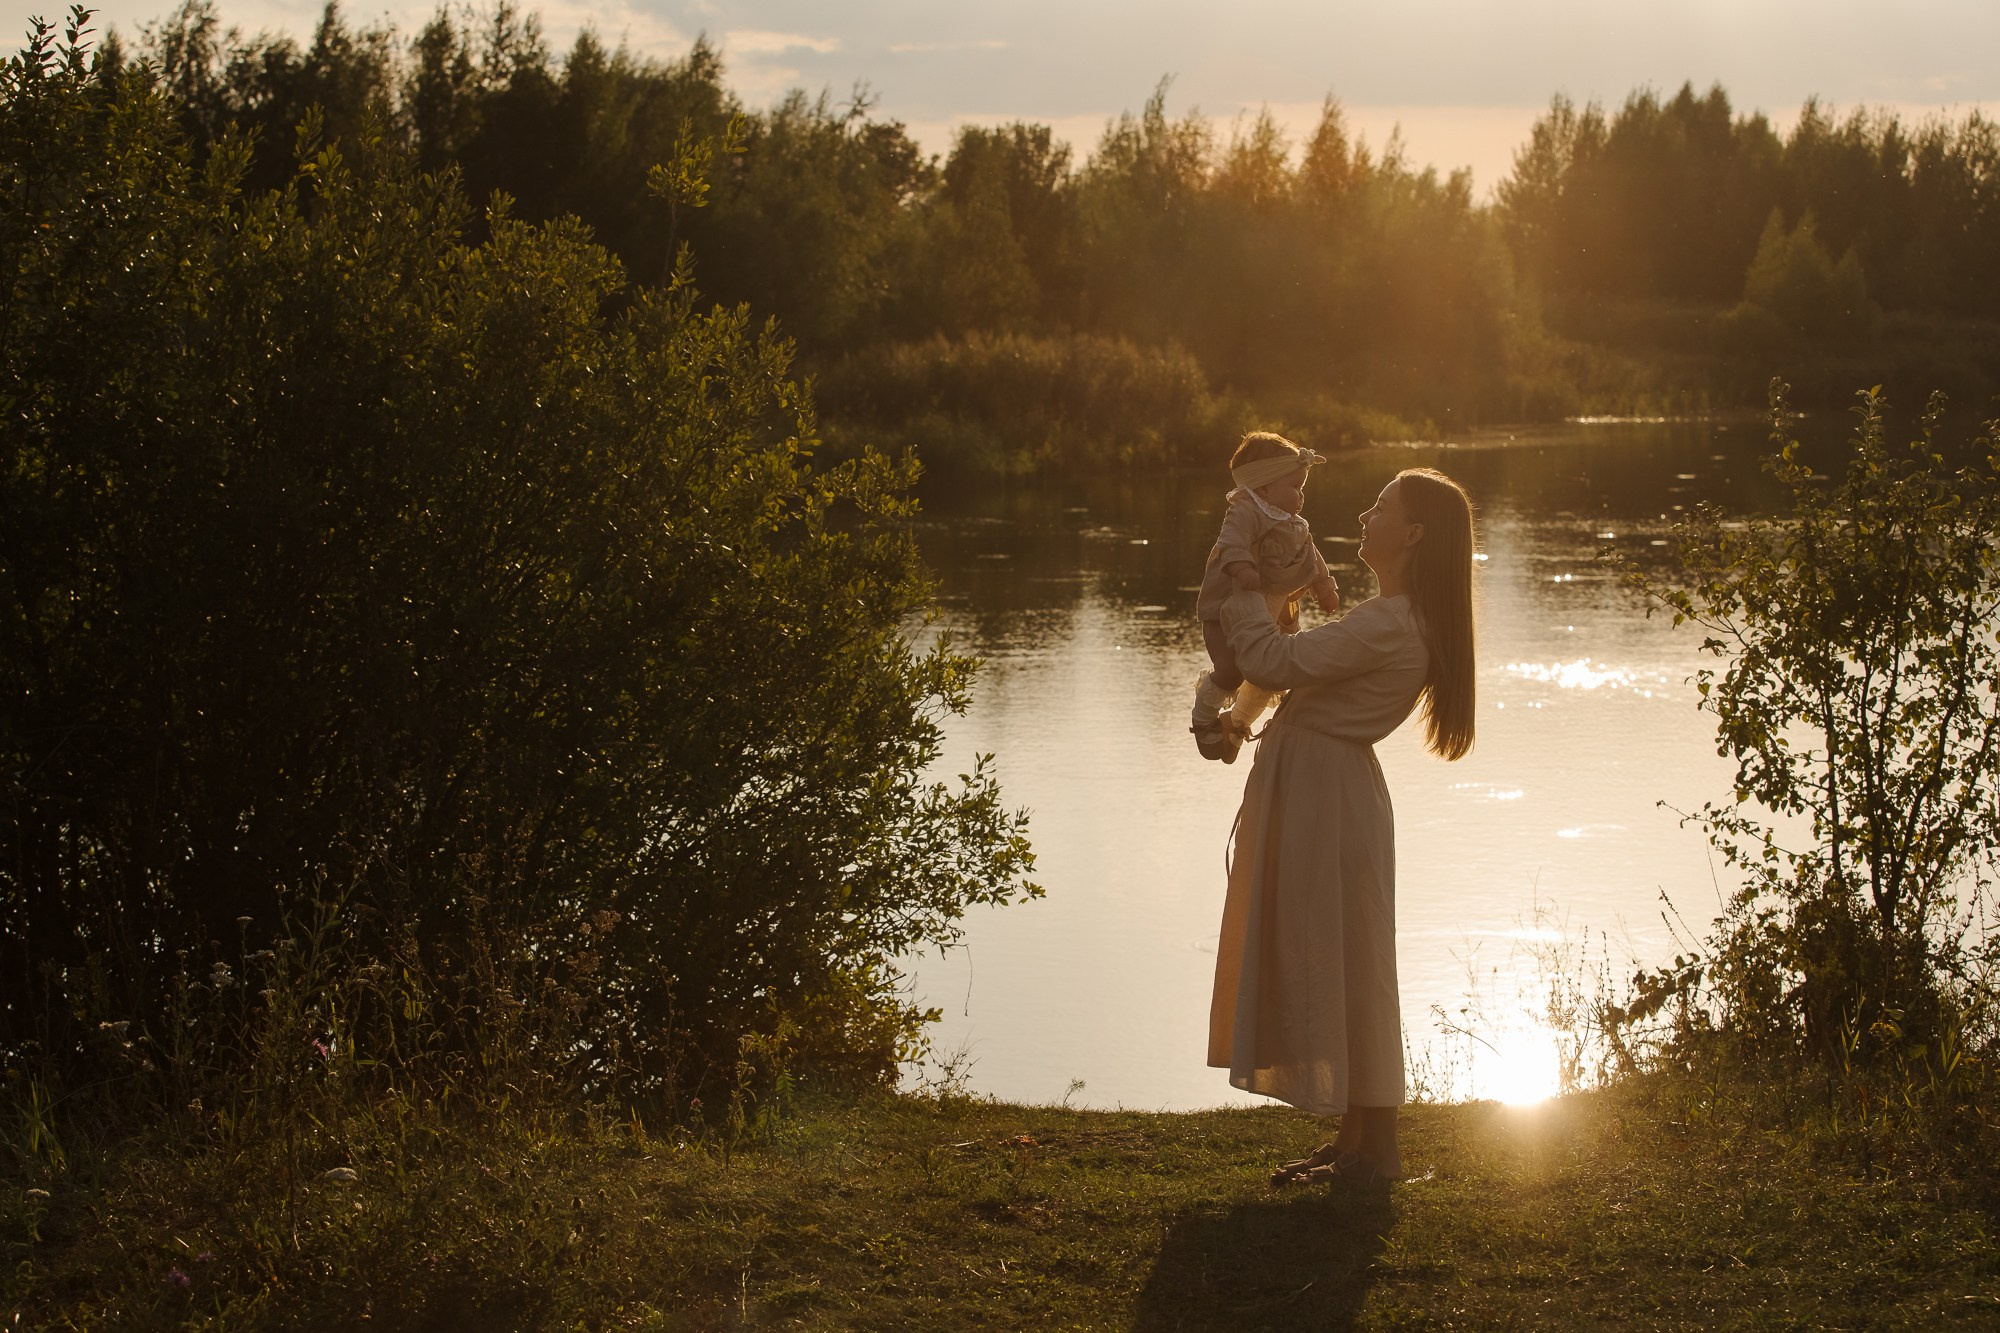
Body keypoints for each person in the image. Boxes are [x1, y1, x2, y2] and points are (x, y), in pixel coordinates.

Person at [1206, 467, 1477, 1186]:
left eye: (1380, 504)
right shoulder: (1390, 617)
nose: (1365, 512)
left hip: (1329, 795)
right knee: (1342, 952)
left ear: (1412, 534)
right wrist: (1239, 721)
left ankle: (1375, 1147)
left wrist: (1239, 591)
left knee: (1348, 956)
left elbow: (1274, 658)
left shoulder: (1392, 621)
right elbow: (1296, 676)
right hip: (1325, 788)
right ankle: (1357, 1140)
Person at [1190, 432, 1341, 764]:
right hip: (1226, 610)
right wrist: (1242, 567)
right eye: (1294, 487)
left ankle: (1238, 723)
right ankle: (1203, 720)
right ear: (1263, 488)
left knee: (1270, 672)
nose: (1301, 496)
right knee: (1230, 672)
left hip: (1273, 611)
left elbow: (1310, 553)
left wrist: (1324, 586)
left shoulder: (1292, 523)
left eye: (1302, 487)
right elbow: (1232, 542)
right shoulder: (1245, 512)